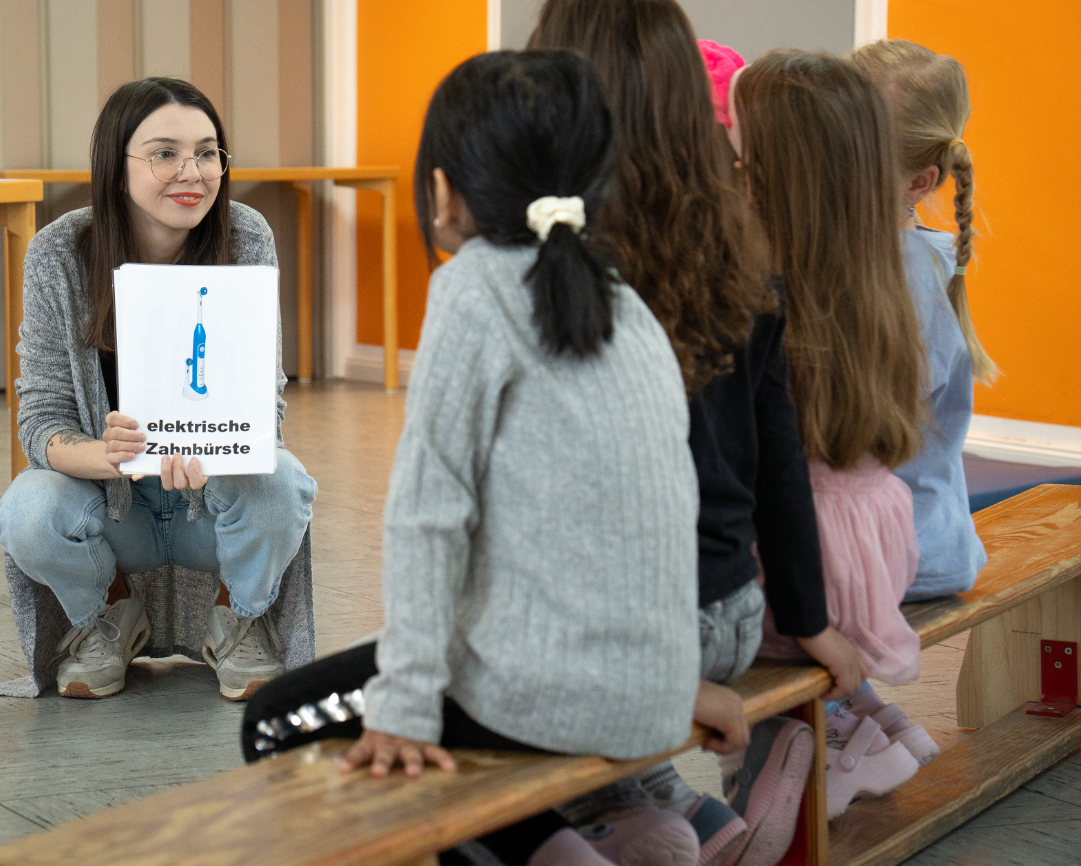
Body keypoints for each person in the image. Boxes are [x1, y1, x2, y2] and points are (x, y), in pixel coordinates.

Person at [242, 49, 746, 866]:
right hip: (652, 692)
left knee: (273, 721)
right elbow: (661, 506)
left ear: (443, 193)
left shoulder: (473, 290)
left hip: (539, 698)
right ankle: (578, 834)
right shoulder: (628, 302)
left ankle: (537, 848)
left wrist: (404, 701)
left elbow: (427, 516)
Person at [527, 0, 862, 866]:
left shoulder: (557, 269)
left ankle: (629, 817)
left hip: (632, 625)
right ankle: (692, 812)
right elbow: (780, 466)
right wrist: (810, 616)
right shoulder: (742, 256)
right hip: (731, 613)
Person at [0, 77, 318, 702]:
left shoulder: (244, 236)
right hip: (114, 512)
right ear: (117, 169)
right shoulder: (59, 252)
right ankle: (109, 615)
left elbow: (263, 401)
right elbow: (40, 419)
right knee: (28, 511)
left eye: (207, 152)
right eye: (164, 153)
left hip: (209, 505)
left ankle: (237, 619)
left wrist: (223, 449)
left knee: (283, 481)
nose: (191, 172)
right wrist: (102, 454)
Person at [731, 50, 929, 818]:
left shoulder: (767, 288)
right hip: (873, 544)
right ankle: (853, 720)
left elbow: (765, 479)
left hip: (802, 566)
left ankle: (804, 740)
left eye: (742, 155)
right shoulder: (880, 268)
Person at [849, 39, 992, 601]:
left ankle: (842, 692)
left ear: (918, 183)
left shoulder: (903, 274)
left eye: (847, 150)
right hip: (928, 536)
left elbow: (860, 437)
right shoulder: (920, 253)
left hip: (904, 552)